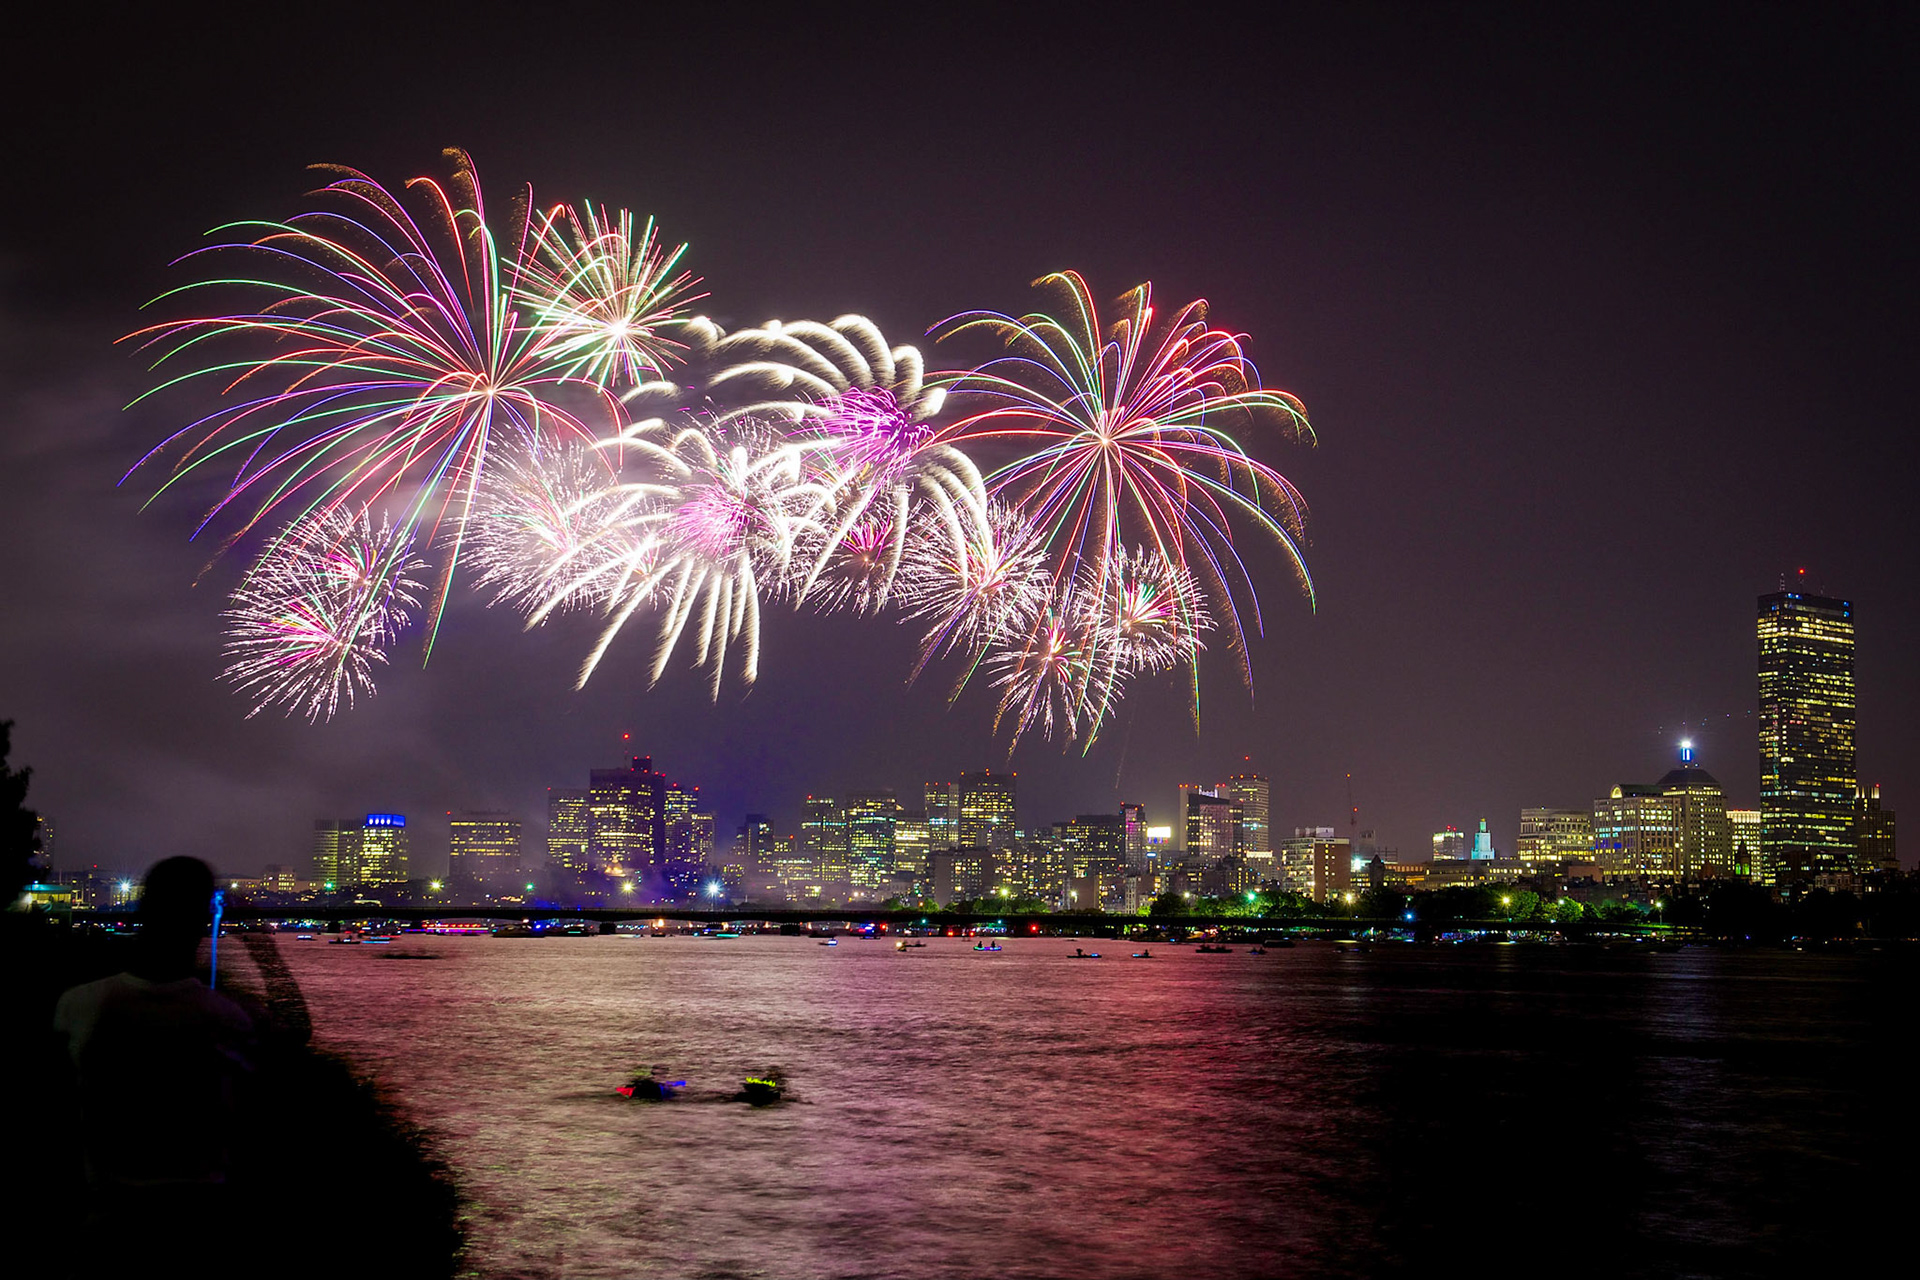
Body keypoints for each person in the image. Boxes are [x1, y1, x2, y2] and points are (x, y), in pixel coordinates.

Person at [52, 856, 256, 1254]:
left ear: (141, 910)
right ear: (204, 921)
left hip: (108, 1224)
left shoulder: (78, 1006)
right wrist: (264, 953)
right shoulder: (228, 1021)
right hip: (197, 1223)